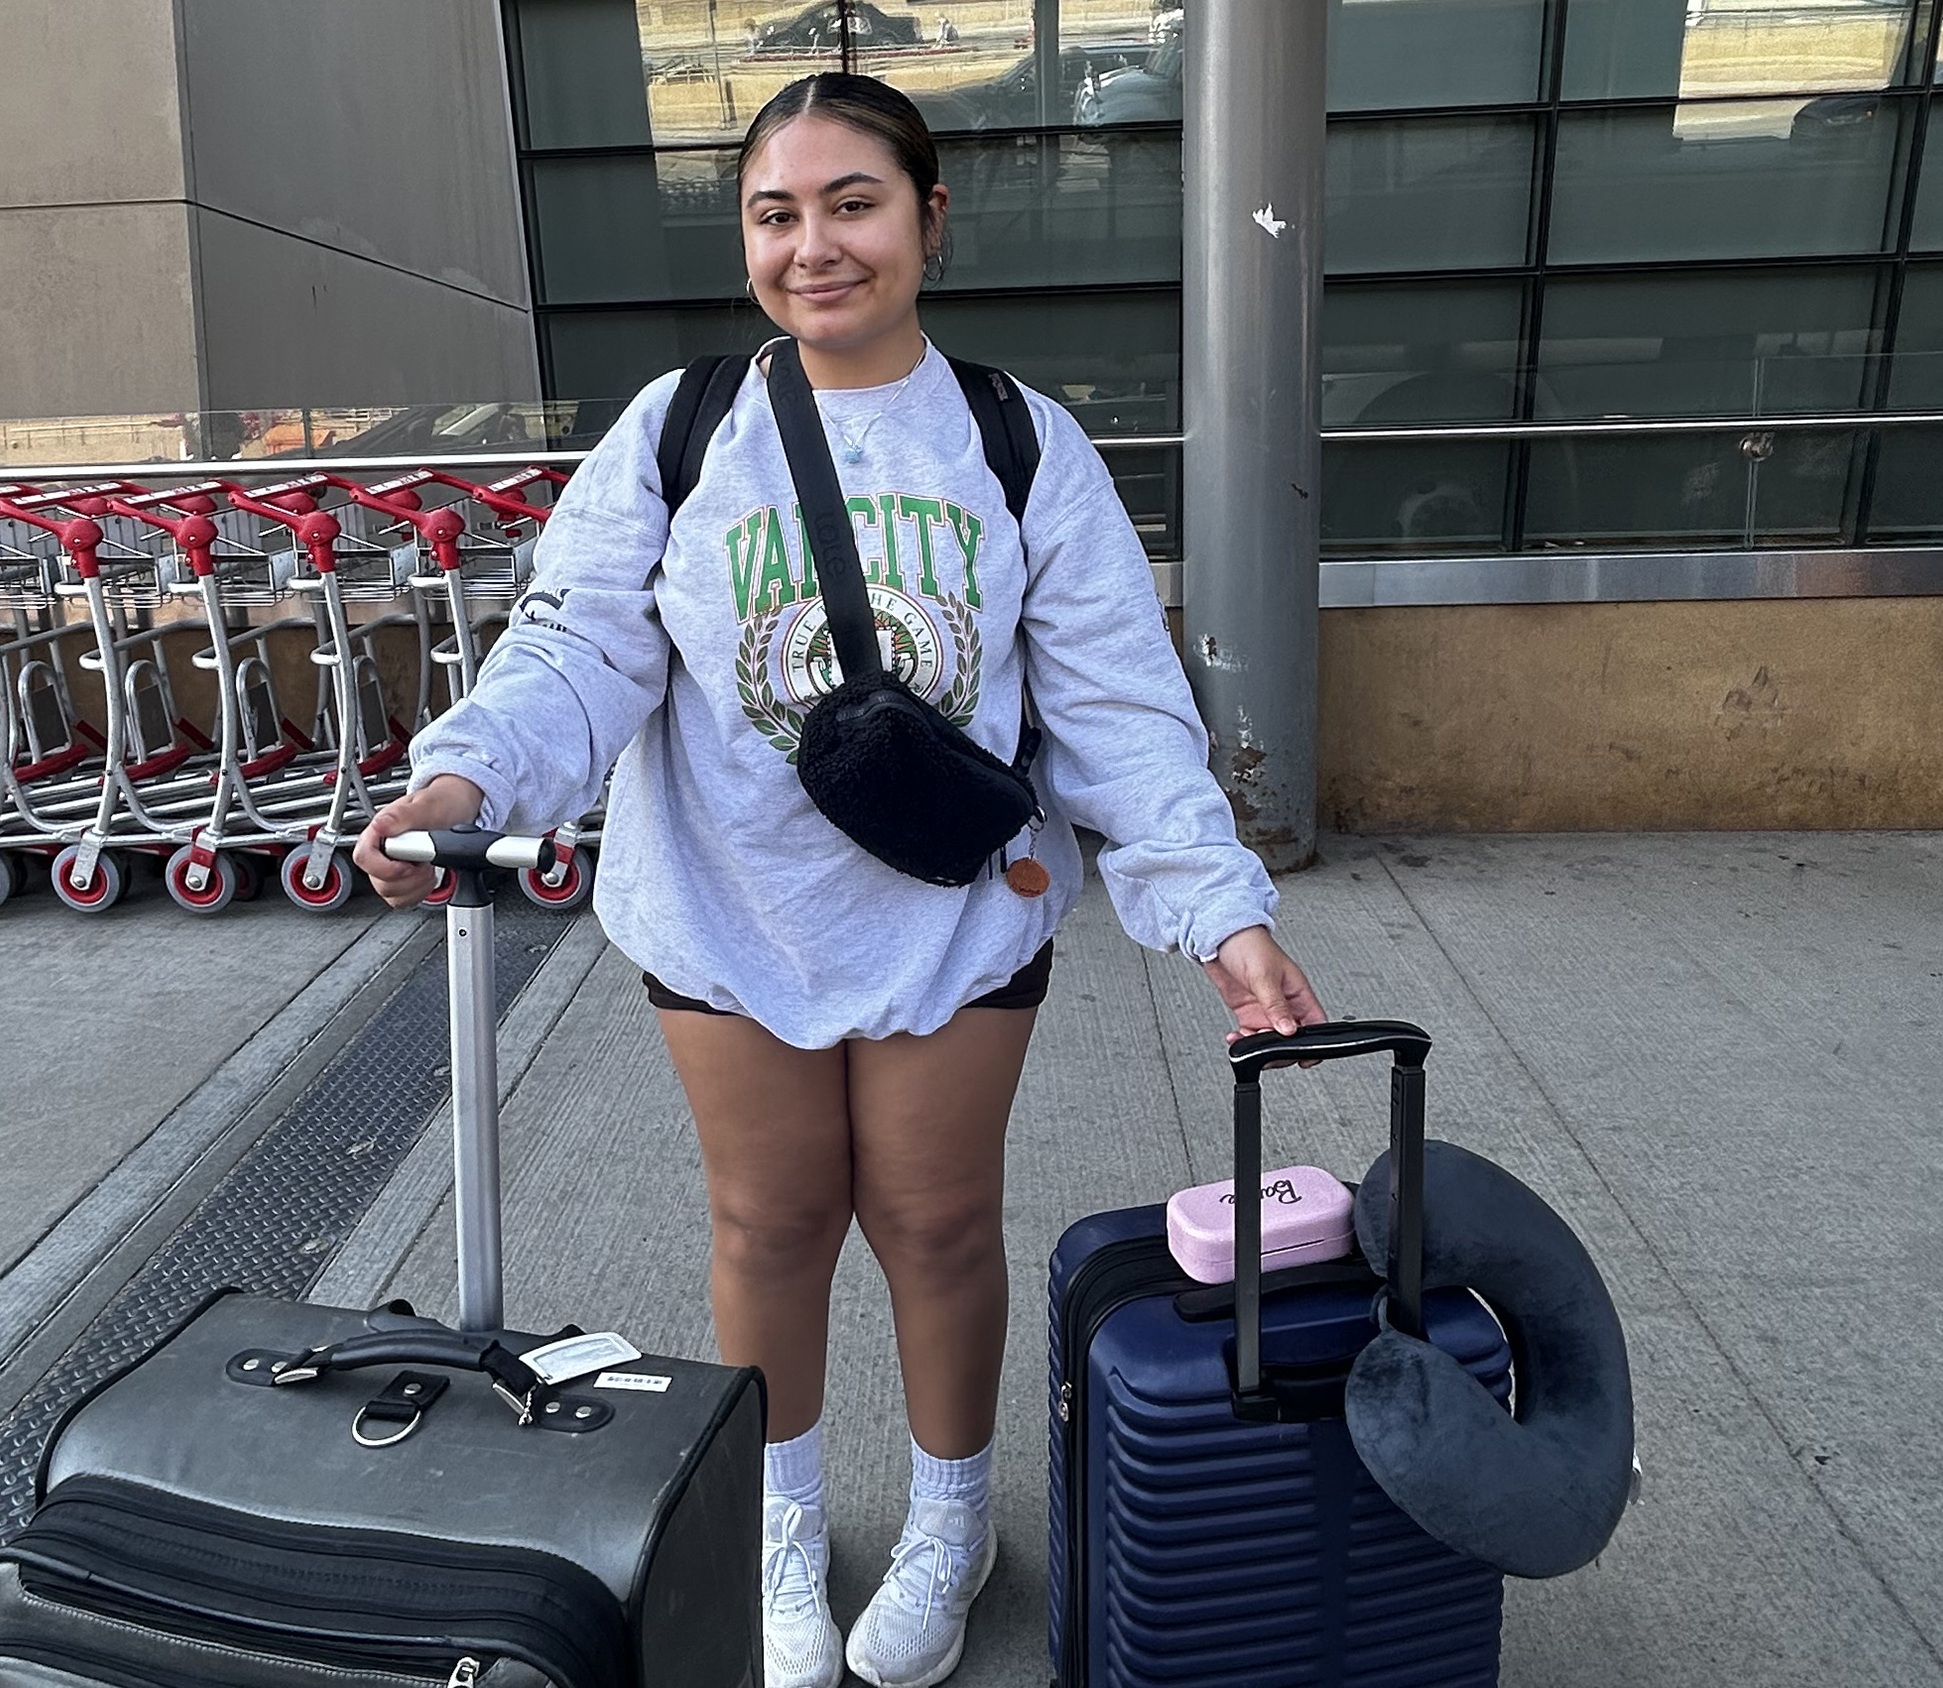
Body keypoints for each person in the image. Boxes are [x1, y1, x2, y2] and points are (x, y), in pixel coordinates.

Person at [354, 72, 1321, 1688]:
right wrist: (462, 780)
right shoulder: (676, 431)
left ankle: (953, 1520)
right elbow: (577, 649)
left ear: (930, 220)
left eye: (854, 203)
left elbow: (1114, 703)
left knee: (938, 1225)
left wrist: (1218, 910)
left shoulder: (1019, 442)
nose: (816, 246)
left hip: (956, 906)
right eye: (776, 213)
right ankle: (777, 1523)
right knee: (768, 1219)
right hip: (730, 901)